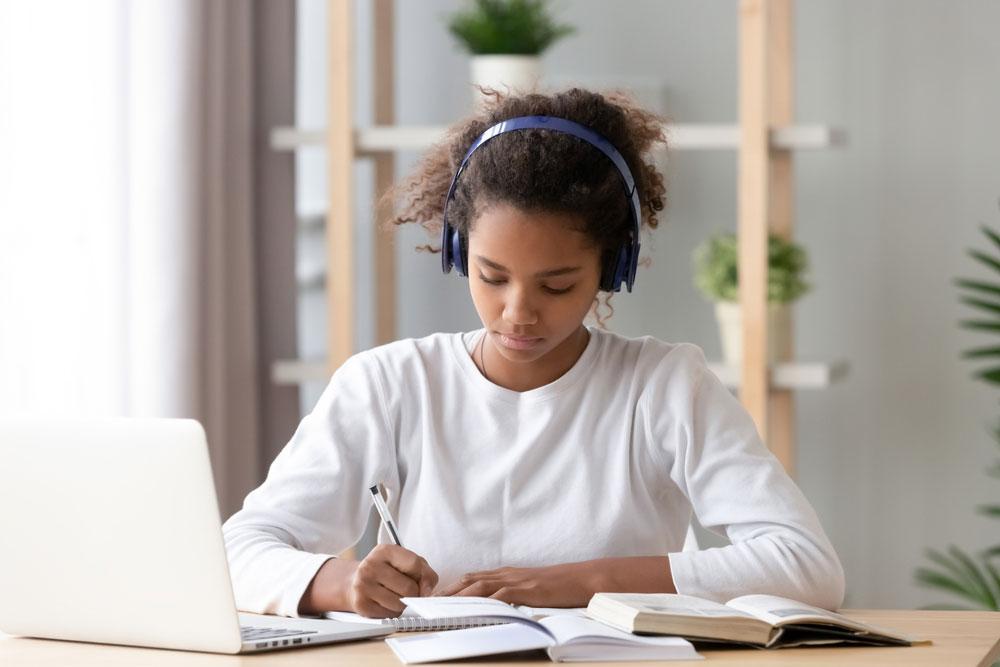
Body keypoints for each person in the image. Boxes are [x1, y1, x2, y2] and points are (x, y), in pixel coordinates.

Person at [222, 87, 845, 619]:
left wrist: (581, 583)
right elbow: (238, 550)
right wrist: (340, 583)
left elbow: (807, 565)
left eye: (556, 285)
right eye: (492, 277)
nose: (518, 312)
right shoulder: (389, 382)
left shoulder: (664, 385)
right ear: (459, 253)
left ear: (612, 267)